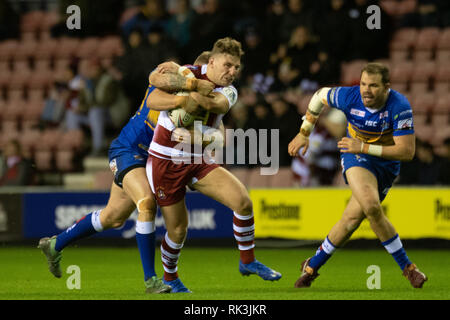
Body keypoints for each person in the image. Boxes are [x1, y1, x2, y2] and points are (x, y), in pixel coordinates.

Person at [38, 53, 214, 294]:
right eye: (203, 73)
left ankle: (55, 244)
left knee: (113, 217)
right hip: (128, 149)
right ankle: (151, 280)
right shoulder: (174, 79)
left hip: (152, 160)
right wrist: (186, 94)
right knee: (146, 204)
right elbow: (153, 91)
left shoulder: (205, 106)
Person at [146, 37, 282, 293]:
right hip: (166, 160)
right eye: (228, 65)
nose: (232, 72)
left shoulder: (228, 90)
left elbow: (215, 104)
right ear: (212, 61)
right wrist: (180, 98)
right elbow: (153, 99)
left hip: (197, 159)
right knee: (178, 230)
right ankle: (170, 278)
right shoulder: (188, 73)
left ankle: (248, 261)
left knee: (243, 201)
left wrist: (189, 95)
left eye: (237, 68)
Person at [288, 62, 428, 289]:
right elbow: (319, 96)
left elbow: (407, 152)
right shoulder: (349, 96)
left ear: (386, 88)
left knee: (351, 219)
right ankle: (408, 268)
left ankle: (312, 266)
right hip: (355, 157)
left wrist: (364, 147)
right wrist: (304, 132)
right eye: (363, 84)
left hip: (385, 164)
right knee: (372, 206)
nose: (366, 90)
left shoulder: (399, 105)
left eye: (373, 85)